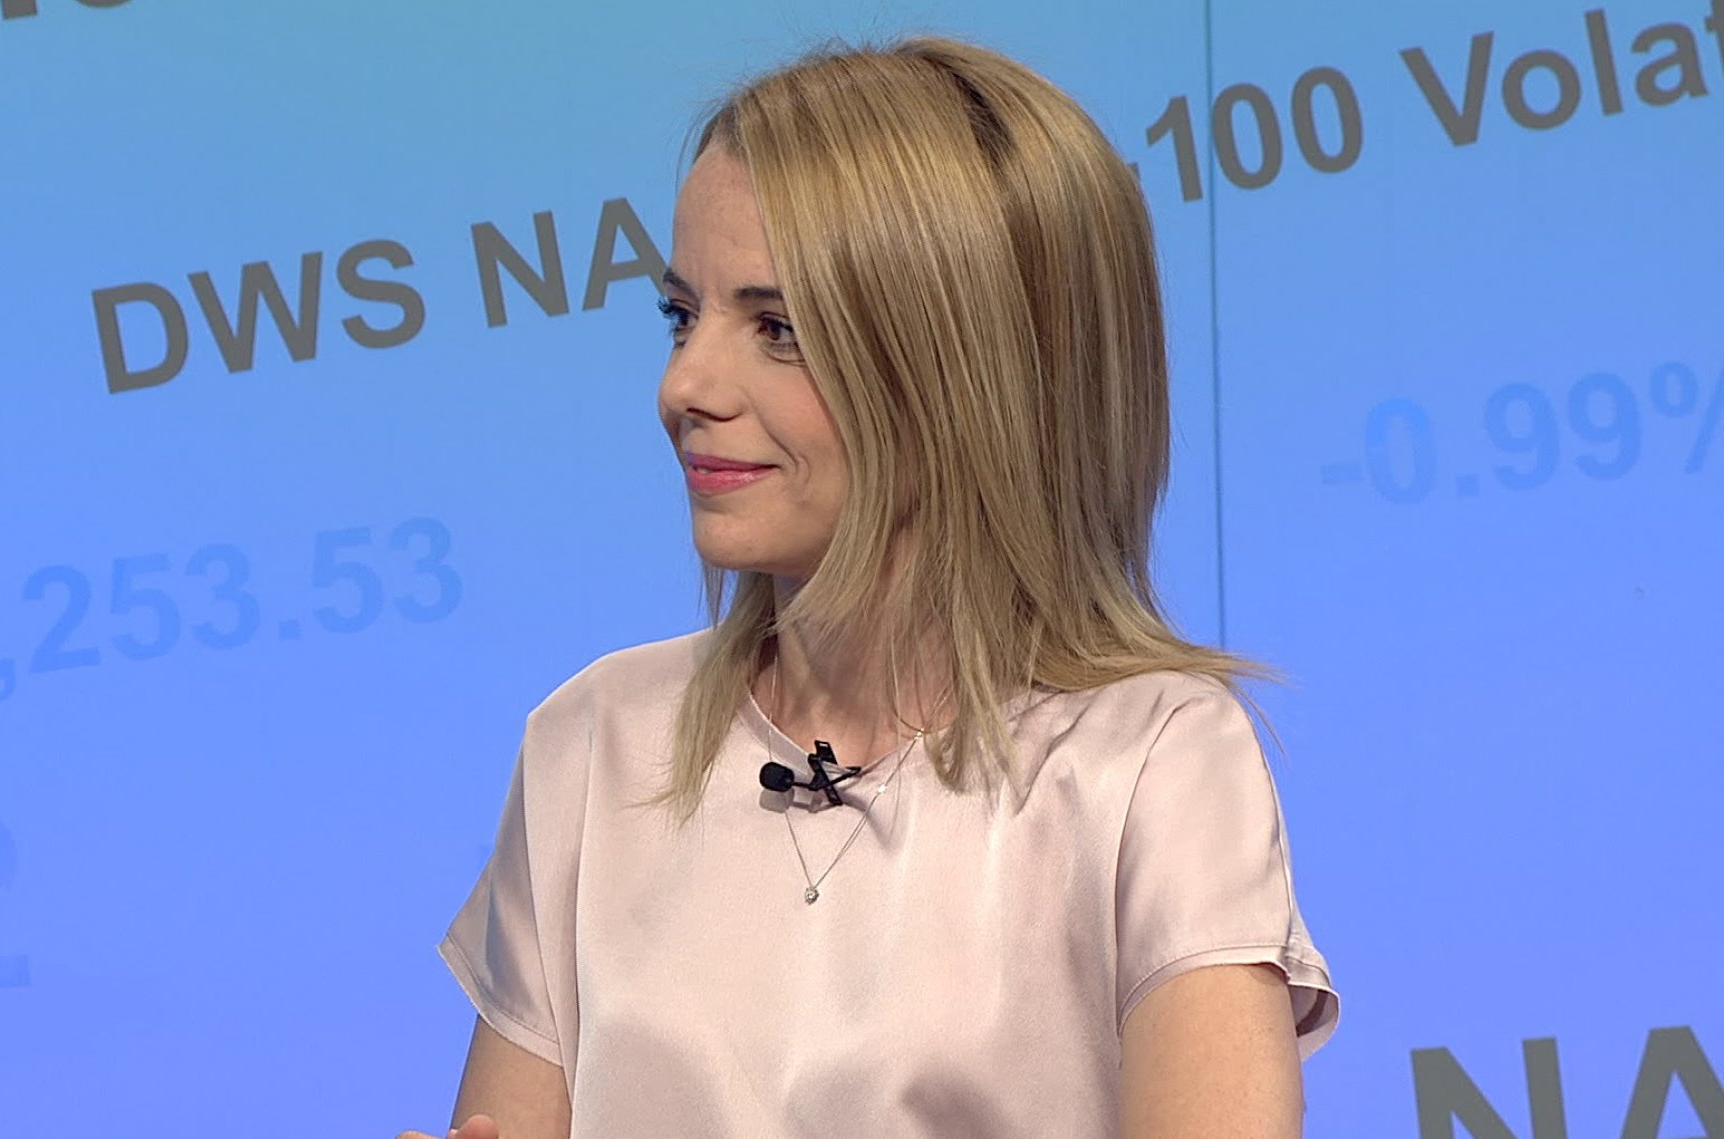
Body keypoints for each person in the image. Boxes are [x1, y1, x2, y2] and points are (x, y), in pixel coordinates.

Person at [399, 33, 1338, 1139]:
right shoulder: (594, 743)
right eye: (681, 315)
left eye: (778, 329)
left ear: (965, 371)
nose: (685, 384)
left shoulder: (1153, 762)